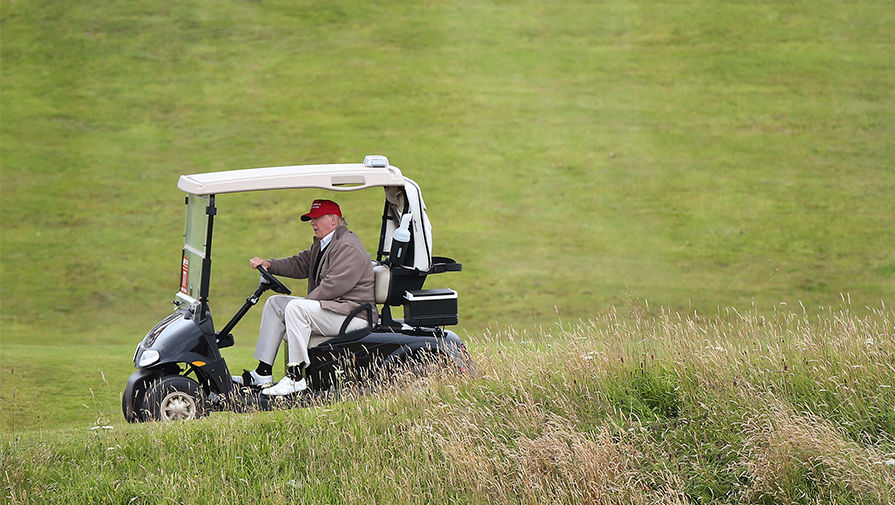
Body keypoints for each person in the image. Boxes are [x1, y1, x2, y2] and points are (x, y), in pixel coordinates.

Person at [233, 199, 377, 396]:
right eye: (311, 218)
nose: (312, 222)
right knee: (276, 304)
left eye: (317, 218)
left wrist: (299, 308)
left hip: (353, 316)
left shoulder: (348, 248)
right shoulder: (324, 243)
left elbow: (331, 287)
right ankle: (263, 373)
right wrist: (270, 264)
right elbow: (300, 264)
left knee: (296, 308)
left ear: (334, 221)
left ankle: (295, 377)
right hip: (335, 309)